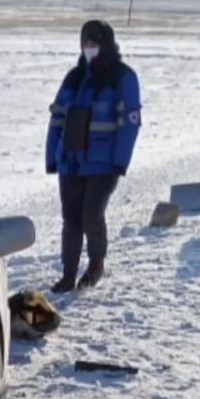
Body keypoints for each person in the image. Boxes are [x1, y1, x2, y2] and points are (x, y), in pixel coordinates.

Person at [45, 19, 142, 291]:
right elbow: (57, 118)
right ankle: (68, 273)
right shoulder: (74, 78)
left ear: (106, 45)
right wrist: (53, 156)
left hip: (103, 163)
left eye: (95, 43)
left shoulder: (122, 77)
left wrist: (120, 161)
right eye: (86, 43)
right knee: (71, 218)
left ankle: (96, 264)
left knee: (91, 215)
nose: (89, 48)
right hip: (71, 161)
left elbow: (130, 122)